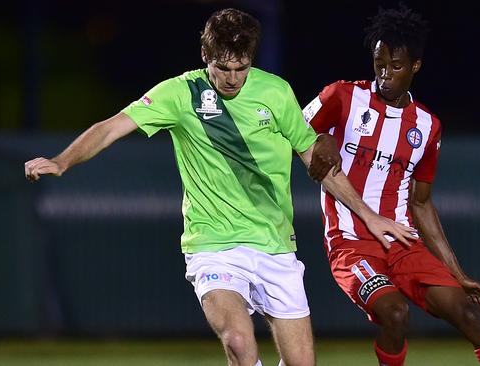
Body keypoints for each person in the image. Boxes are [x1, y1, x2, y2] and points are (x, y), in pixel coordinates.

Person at [24, 8, 414, 366]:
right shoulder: (179, 94)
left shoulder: (275, 92)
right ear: (204, 56)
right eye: (222, 68)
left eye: (241, 69)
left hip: (275, 245)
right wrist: (62, 161)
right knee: (240, 344)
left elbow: (316, 161)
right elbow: (111, 127)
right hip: (214, 248)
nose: (232, 79)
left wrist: (369, 216)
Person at [302, 5, 480, 366]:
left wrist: (457, 272)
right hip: (352, 244)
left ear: (416, 66)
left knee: (469, 315)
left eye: (397, 66)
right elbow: (293, 130)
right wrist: (320, 140)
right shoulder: (342, 97)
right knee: (396, 314)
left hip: (404, 244)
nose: (385, 75)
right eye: (379, 64)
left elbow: (422, 204)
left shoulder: (427, 126)